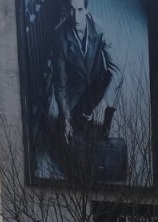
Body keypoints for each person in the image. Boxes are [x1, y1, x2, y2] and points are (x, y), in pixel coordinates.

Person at [49, 0, 122, 148]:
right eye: (71, 10)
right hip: (76, 91)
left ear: (87, 10)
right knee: (64, 137)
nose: (76, 17)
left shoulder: (100, 28)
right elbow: (60, 85)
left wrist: (105, 105)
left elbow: (116, 71)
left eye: (80, 10)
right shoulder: (59, 35)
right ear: (66, 10)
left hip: (98, 84)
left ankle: (103, 129)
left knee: (101, 137)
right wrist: (66, 118)